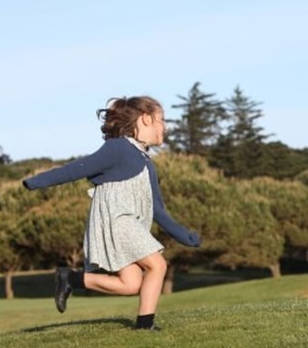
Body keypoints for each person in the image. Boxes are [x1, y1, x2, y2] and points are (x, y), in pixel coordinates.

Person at [23, 96, 200, 330]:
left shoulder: (146, 162)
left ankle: (71, 278)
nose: (165, 126)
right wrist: (35, 182)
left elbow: (156, 208)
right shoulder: (118, 149)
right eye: (161, 119)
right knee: (157, 265)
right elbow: (77, 168)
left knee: (131, 284)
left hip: (129, 224)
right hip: (116, 221)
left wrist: (181, 234)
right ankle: (145, 325)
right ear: (146, 119)